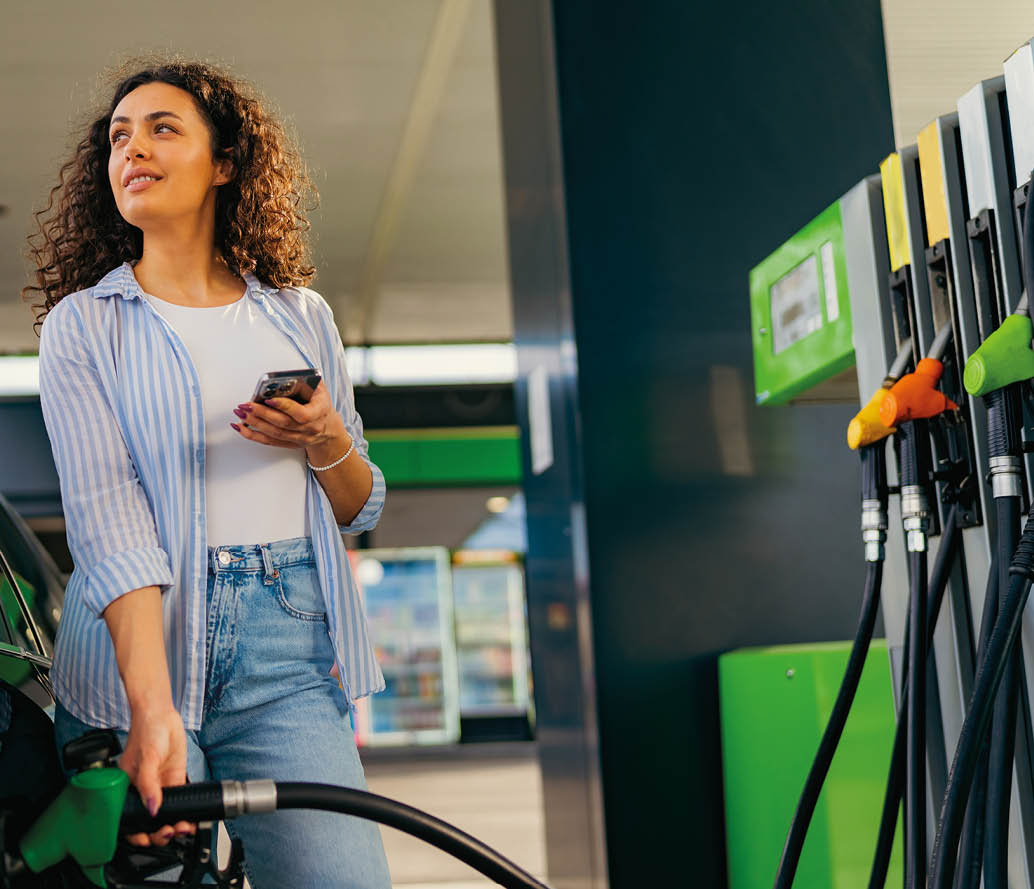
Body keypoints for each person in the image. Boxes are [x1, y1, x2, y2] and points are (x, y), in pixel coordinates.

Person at [21, 55, 393, 889]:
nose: (133, 149)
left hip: (283, 659)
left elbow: (360, 507)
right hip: (134, 659)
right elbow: (110, 525)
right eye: (119, 136)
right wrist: (152, 713)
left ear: (225, 162)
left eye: (162, 128)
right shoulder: (85, 329)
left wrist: (325, 432)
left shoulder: (301, 317)